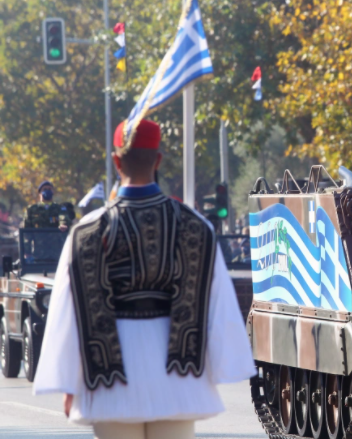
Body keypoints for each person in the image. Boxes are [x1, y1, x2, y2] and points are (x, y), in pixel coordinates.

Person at [34, 119, 256, 439]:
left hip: (109, 377)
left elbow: (69, 312)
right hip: (178, 376)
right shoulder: (196, 227)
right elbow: (216, 304)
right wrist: (220, 367)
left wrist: (69, 383)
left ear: (116, 160)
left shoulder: (86, 232)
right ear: (158, 160)